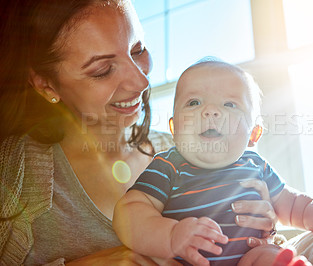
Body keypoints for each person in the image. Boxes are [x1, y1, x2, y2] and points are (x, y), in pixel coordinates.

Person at [0, 1, 281, 265]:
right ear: (46, 85)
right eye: (103, 70)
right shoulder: (11, 172)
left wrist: (262, 227)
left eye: (138, 50)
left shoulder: (192, 151)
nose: (141, 81)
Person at [113, 59, 313, 266]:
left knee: (269, 258)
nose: (210, 111)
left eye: (229, 104)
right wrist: (170, 236)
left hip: (249, 257)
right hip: (187, 260)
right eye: (194, 102)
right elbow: (131, 211)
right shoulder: (168, 165)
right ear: (174, 128)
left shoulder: (256, 165)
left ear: (254, 134)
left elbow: (291, 205)